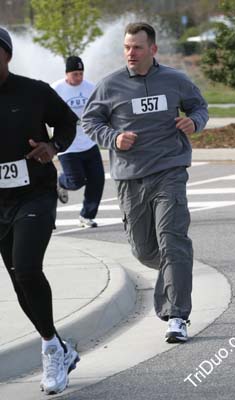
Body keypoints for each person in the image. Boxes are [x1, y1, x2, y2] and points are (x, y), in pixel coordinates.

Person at [82, 22, 209, 343]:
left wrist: (194, 121)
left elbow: (199, 106)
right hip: (130, 178)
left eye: (137, 47)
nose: (130, 53)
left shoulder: (175, 80)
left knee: (172, 239)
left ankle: (176, 316)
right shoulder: (109, 85)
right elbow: (90, 120)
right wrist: (113, 137)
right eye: (126, 47)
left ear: (152, 49)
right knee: (143, 250)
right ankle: (175, 269)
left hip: (170, 171)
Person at [0, 27, 80, 395]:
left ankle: (50, 347)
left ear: (7, 56)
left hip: (35, 195)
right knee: (20, 281)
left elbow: (67, 122)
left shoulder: (33, 91)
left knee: (29, 267)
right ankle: (60, 346)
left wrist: (53, 145)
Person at [52, 56, 105, 228]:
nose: (79, 77)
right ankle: (61, 182)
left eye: (81, 73)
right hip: (67, 145)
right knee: (76, 181)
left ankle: (87, 215)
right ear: (67, 74)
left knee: (97, 179)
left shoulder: (90, 87)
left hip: (89, 142)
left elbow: (101, 108)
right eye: (75, 74)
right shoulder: (56, 89)